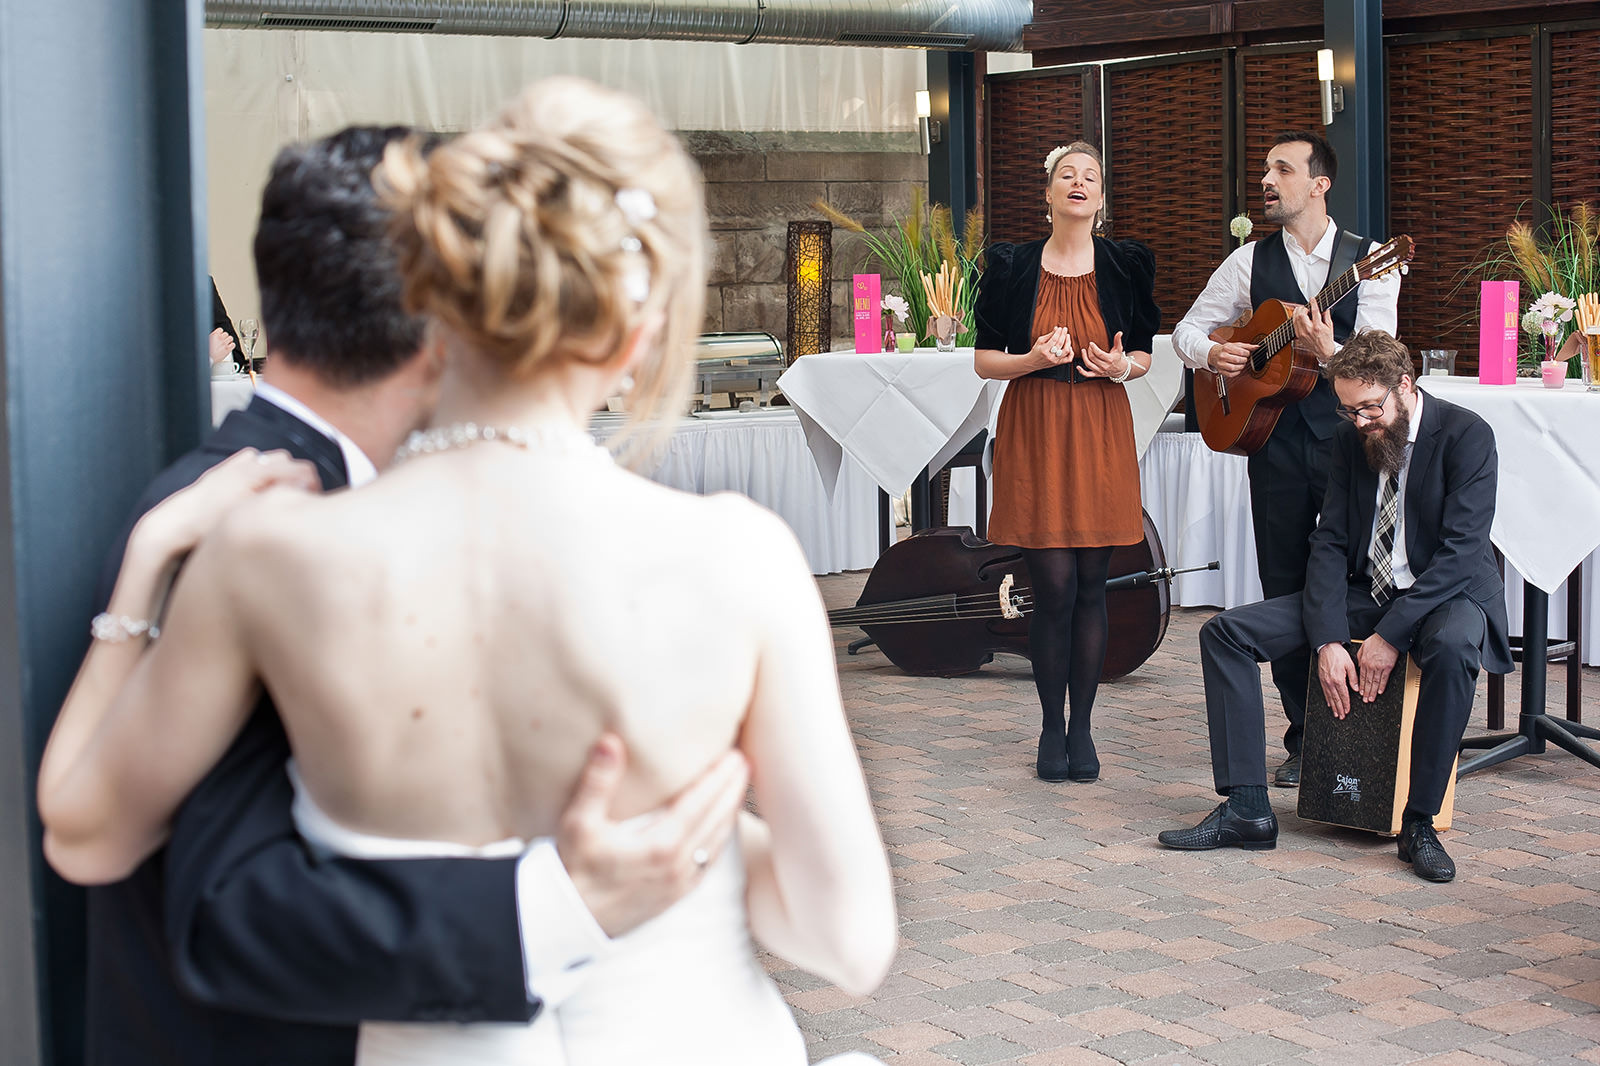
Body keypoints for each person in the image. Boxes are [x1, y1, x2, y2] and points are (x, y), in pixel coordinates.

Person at [40, 77, 896, 1064]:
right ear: (632, 336)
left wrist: (147, 567)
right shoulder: (736, 556)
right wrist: (705, 842)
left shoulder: (263, 553)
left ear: (432, 303)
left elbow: (88, 830)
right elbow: (850, 938)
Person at [1156, 330, 1509, 883]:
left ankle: (1418, 823)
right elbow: (1329, 543)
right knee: (1226, 634)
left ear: (1405, 387)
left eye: (1371, 407)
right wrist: (1326, 639)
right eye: (1348, 411)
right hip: (1365, 589)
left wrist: (1389, 638)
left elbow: (1461, 554)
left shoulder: (1467, 435)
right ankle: (1247, 808)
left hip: (1444, 594)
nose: (1362, 421)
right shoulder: (1349, 440)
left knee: (1455, 646)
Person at [1171, 130, 1402, 788]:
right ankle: (1303, 737)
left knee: (1352, 584)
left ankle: (1360, 729)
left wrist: (1332, 356)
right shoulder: (1248, 263)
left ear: (1319, 184)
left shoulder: (1372, 261)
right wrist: (1214, 354)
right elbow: (1188, 328)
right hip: (1272, 444)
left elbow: (1382, 363)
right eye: (1265, 168)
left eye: (1282, 169)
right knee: (1283, 583)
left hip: (1350, 447)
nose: (1267, 180)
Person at [973, 141, 1160, 784]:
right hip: (1035, 424)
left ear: (1100, 199)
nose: (1078, 184)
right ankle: (1050, 726)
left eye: (1090, 177)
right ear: (1048, 194)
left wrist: (1121, 366)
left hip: (1101, 425)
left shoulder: (1127, 263)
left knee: (1089, 587)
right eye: (1066, 176)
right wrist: (1031, 360)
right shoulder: (1011, 264)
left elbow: (1143, 355)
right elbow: (984, 359)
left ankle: (1082, 728)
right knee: (1050, 589)